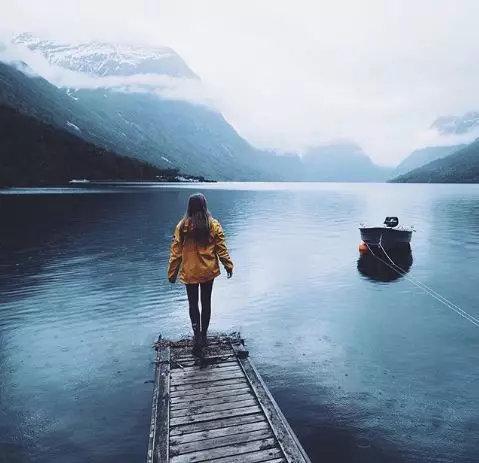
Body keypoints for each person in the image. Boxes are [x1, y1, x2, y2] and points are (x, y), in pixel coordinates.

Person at [168, 193, 233, 354]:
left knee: (192, 304)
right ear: (205, 206)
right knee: (206, 303)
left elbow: (176, 252)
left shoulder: (182, 226)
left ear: (189, 207)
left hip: (190, 272)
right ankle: (204, 335)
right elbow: (221, 248)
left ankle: (196, 335)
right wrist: (228, 265)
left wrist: (172, 273)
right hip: (208, 271)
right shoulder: (213, 225)